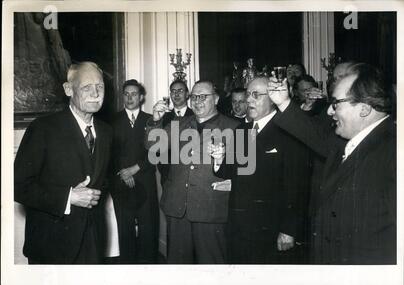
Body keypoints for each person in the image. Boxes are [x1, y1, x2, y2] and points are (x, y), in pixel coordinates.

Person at [269, 63, 396, 264]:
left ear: (363, 109)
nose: (329, 111)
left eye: (336, 103)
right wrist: (283, 101)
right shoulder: (348, 141)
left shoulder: (393, 153)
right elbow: (315, 135)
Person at [14, 61, 112, 264]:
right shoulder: (43, 128)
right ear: (69, 89)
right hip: (51, 244)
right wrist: (69, 197)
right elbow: (17, 186)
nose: (95, 93)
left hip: (93, 242)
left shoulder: (107, 132)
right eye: (86, 87)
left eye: (100, 86)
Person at [214, 76, 312, 264]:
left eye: (255, 95)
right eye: (248, 94)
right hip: (238, 227)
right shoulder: (241, 130)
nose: (248, 100)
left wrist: (289, 229)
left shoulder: (290, 131)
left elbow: (298, 185)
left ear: (273, 98)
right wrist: (219, 158)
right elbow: (229, 171)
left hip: (271, 229)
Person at [145, 80, 239, 264]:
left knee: (212, 267)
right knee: (178, 269)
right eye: (194, 97)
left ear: (217, 99)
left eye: (203, 96)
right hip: (177, 208)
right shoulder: (179, 124)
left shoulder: (234, 127)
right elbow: (152, 146)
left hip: (211, 210)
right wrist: (155, 120)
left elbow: (246, 171)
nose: (197, 101)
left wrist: (231, 180)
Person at [110, 79, 159, 264]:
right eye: (126, 94)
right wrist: (123, 173)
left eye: (134, 94)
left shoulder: (151, 120)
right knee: (125, 232)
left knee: (148, 231)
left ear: (141, 97)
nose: (130, 97)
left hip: (145, 182)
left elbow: (156, 152)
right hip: (121, 183)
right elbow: (108, 154)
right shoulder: (112, 121)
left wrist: (135, 169)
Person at [158, 80, 194, 186]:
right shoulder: (162, 117)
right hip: (168, 174)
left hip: (190, 173)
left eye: (180, 90)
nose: (176, 94)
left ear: (187, 94)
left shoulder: (196, 115)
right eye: (173, 91)